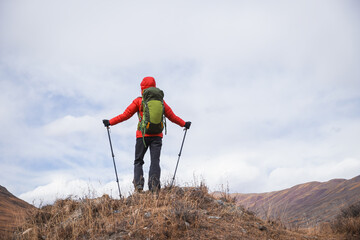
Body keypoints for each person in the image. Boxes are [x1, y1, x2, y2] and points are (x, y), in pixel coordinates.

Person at [103, 76, 191, 192]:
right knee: (155, 161)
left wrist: (110, 122)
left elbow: (125, 115)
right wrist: (184, 124)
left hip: (142, 136)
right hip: (157, 136)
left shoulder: (139, 101)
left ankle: (139, 185)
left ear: (142, 88)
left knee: (138, 160)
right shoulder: (161, 102)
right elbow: (172, 117)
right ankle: (154, 186)